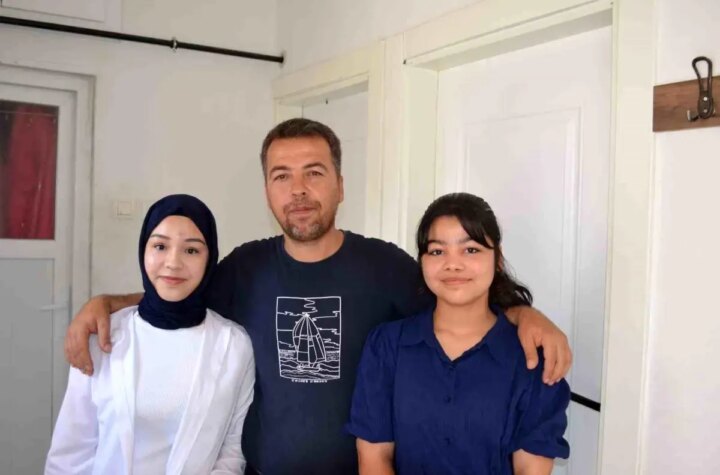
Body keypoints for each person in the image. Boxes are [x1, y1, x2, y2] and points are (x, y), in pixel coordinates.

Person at [64, 119, 572, 475]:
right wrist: (109, 303)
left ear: (340, 185)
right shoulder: (245, 267)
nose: (298, 190)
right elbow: (177, 295)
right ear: (267, 190)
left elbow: (457, 293)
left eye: (314, 172)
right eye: (281, 176)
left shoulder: (385, 266)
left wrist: (522, 312)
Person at [346, 192, 570, 475]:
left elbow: (531, 468)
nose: (453, 264)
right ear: (422, 262)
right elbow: (374, 458)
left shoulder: (532, 359)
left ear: (497, 260)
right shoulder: (387, 346)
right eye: (437, 251)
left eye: (471, 250)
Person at [46, 194, 255, 474]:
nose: (173, 262)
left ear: (210, 260)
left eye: (191, 250)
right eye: (160, 246)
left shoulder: (235, 345)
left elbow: (232, 449)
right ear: (143, 250)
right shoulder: (103, 336)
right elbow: (71, 453)